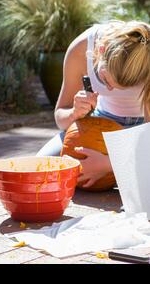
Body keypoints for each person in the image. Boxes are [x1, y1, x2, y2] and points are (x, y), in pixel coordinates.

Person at [37, 20, 150, 188]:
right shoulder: (80, 49)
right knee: (41, 169)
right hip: (100, 122)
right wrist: (75, 112)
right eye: (105, 80)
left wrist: (108, 164)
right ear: (101, 50)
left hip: (142, 129)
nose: (110, 90)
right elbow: (60, 118)